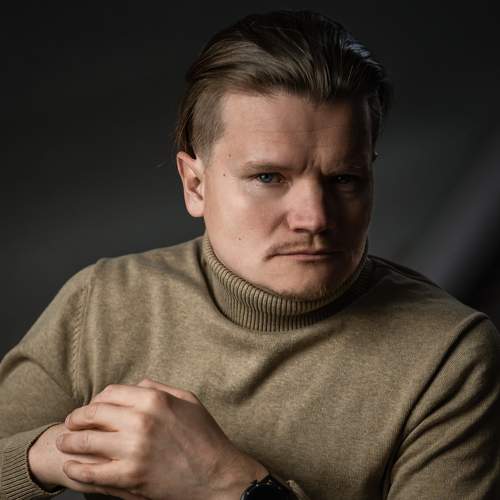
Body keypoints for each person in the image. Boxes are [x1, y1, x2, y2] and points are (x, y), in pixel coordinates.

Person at [1, 9, 499, 500]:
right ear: (195, 185)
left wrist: (225, 483)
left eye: (344, 179)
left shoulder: (449, 356)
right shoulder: (104, 301)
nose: (314, 218)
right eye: (268, 177)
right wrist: (57, 453)